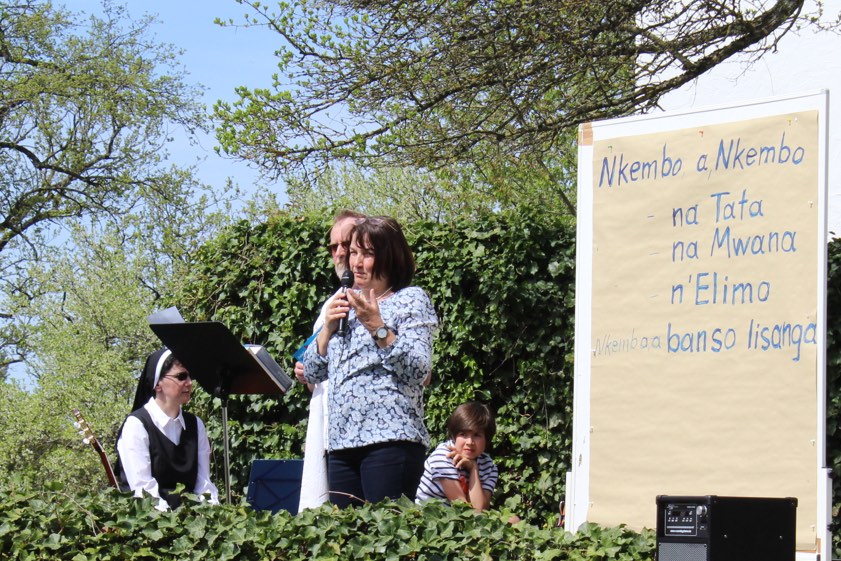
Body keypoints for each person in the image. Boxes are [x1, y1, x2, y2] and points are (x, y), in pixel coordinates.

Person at [303, 215, 438, 508]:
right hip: (341, 444)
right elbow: (311, 373)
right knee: (345, 533)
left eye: (367, 254)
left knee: (387, 532)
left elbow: (418, 369)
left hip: (390, 440)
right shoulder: (342, 304)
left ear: (390, 257)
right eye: (354, 253)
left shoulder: (410, 299)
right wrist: (326, 330)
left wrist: (377, 326)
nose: (356, 262)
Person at [294, 209, 364, 511]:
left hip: (368, 436)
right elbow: (316, 382)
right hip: (329, 433)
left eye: (346, 244)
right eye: (333, 246)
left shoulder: (386, 298)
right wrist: (307, 372)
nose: (339, 253)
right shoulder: (330, 305)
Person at [113, 348, 219, 510]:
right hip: (150, 519)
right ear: (157, 384)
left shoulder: (196, 425)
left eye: (190, 376)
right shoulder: (137, 425)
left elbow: (203, 484)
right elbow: (143, 491)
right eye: (181, 376)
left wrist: (211, 513)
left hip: (191, 518)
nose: (189, 382)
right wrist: (174, 520)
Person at [415, 402, 499, 512]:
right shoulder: (443, 456)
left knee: (514, 519)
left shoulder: (489, 466)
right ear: (454, 436)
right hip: (431, 517)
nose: (470, 442)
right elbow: (463, 509)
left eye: (477, 435)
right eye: (463, 435)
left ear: (487, 439)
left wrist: (473, 468)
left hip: (465, 518)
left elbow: (480, 509)